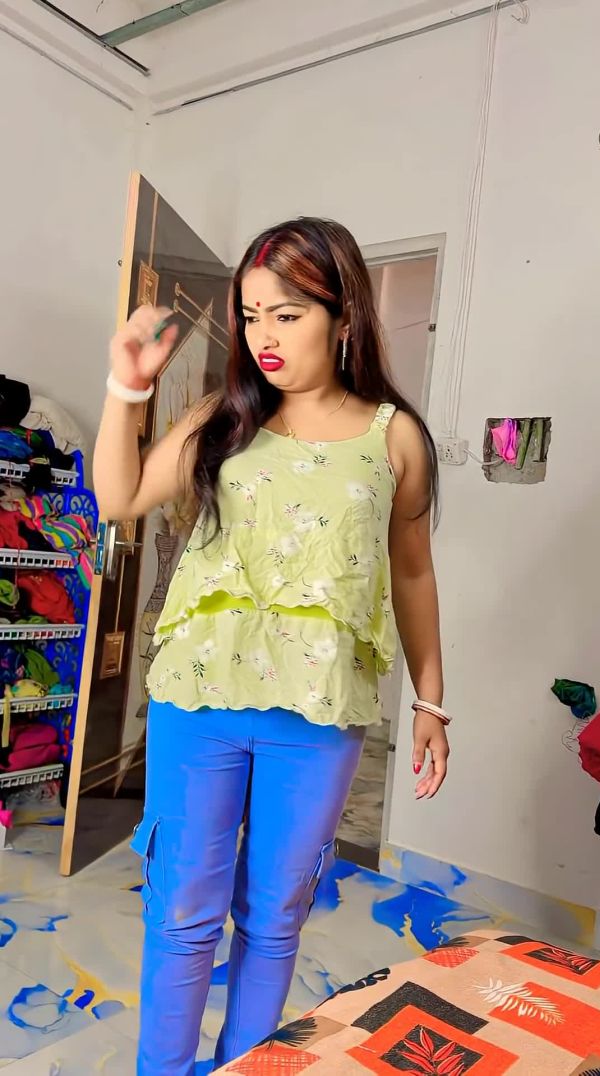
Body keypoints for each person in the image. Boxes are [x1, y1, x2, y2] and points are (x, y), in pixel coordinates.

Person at [93, 217, 449, 1075]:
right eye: (252, 316)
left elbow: (411, 574)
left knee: (275, 918)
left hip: (318, 713)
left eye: (287, 314)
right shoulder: (225, 417)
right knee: (182, 914)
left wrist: (433, 701)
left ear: (344, 316)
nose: (265, 336)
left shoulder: (393, 437)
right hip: (199, 699)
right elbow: (120, 498)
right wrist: (126, 388)